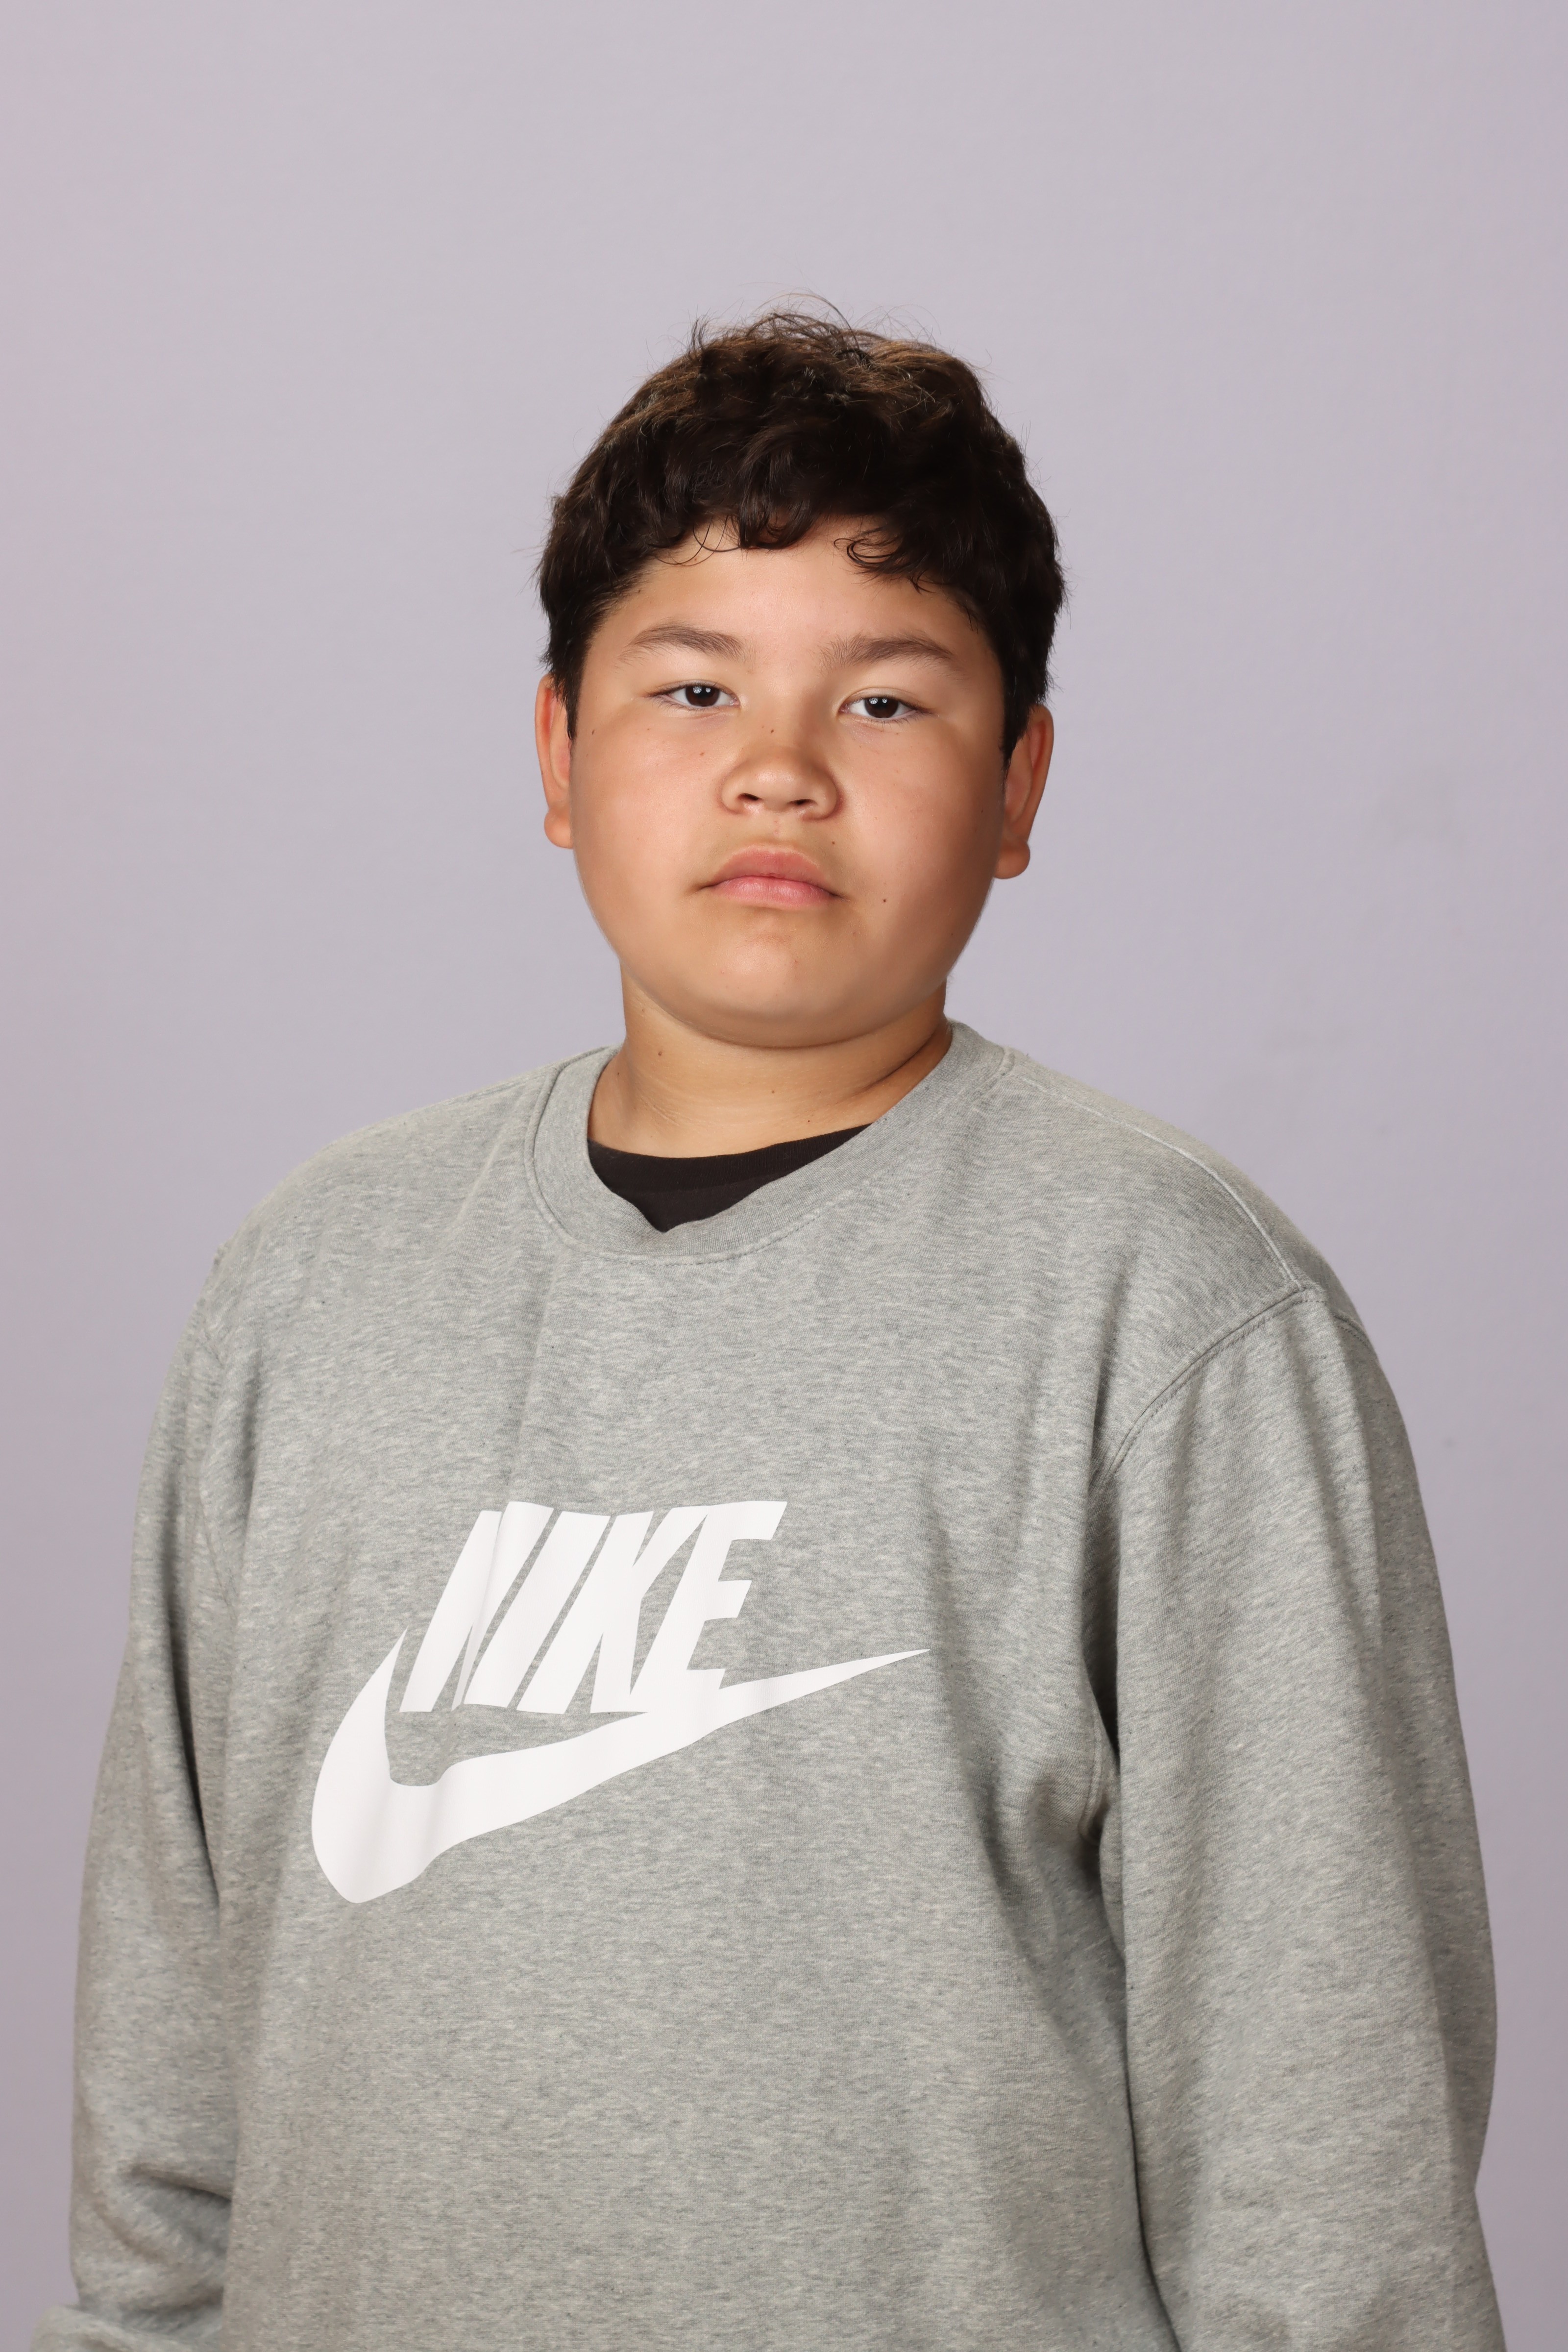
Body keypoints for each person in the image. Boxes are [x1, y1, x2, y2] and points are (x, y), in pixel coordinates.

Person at [37, 312, 1503, 2351]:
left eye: (886, 700)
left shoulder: (1168, 1312)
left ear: (1019, 783)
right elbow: (170, 2094)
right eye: (694, 685)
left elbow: (1325, 2159)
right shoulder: (312, 1287)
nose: (779, 768)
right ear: (557, 756)